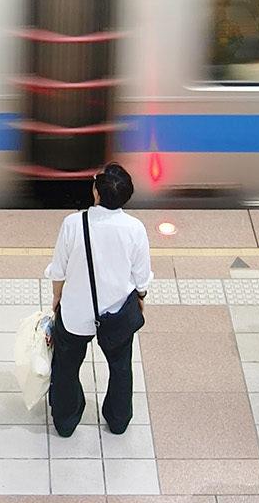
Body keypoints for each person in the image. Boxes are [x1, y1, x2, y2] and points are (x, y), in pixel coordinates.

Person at [46, 163, 153, 438]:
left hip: (75, 313)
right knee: (120, 368)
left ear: (96, 192)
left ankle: (66, 421)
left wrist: (57, 299)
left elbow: (58, 270)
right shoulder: (135, 229)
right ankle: (118, 421)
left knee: (66, 367)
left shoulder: (73, 224)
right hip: (117, 314)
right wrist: (140, 297)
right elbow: (141, 275)